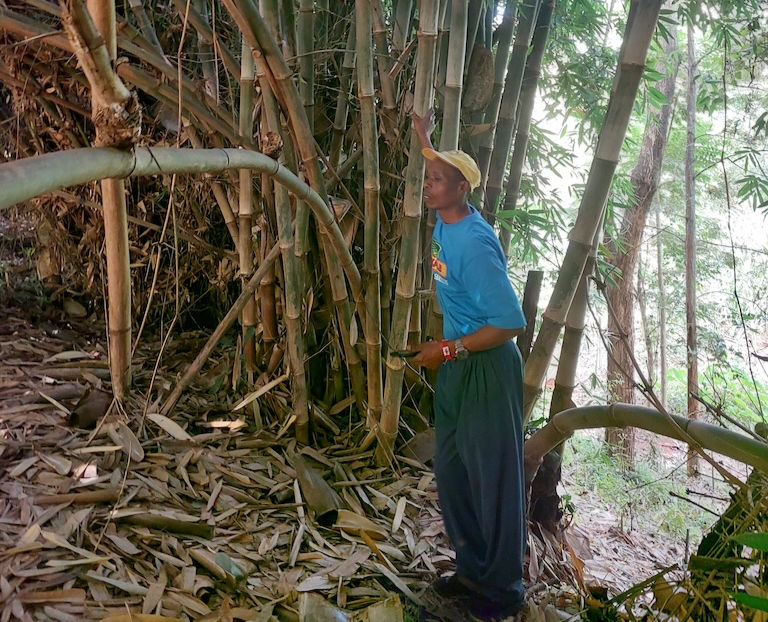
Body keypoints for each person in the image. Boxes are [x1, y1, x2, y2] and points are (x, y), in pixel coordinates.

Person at [410, 109, 527, 621]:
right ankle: (471, 571)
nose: (429, 186)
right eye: (428, 178)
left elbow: (509, 322)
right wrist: (425, 138)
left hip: (485, 365)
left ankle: (503, 591)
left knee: (491, 477)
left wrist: (449, 350)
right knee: (454, 471)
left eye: (438, 181)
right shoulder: (446, 217)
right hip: (458, 363)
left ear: (461, 189)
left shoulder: (476, 244)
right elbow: (434, 161)